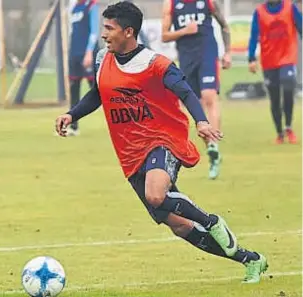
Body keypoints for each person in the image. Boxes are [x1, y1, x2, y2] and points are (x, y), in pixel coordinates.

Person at [55, 1, 268, 284]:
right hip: (129, 154)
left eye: (109, 28)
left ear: (128, 31)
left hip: (162, 139)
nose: (104, 34)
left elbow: (187, 92)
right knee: (179, 227)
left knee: (156, 194)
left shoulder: (156, 64)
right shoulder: (101, 60)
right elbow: (98, 94)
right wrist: (72, 114)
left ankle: (211, 222)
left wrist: (202, 121)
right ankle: (250, 259)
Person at [161, 0, 231, 180]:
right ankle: (211, 149)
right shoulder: (170, 4)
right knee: (195, 106)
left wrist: (228, 52)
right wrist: (184, 31)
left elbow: (224, 25)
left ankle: (214, 144)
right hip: (187, 59)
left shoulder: (208, 2)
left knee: (209, 96)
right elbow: (164, 35)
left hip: (207, 54)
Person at [248, 0, 302, 144]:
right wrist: (251, 58)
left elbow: (301, 28)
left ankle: (289, 126)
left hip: (287, 58)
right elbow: (253, 36)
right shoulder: (259, 12)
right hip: (269, 61)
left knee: (289, 87)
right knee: (274, 97)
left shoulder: (290, 7)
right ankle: (279, 132)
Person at [67, 0, 100, 136]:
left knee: (98, 91)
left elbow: (94, 31)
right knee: (74, 88)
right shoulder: (75, 7)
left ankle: (123, 119)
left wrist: (89, 53)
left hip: (87, 54)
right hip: (74, 53)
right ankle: (73, 126)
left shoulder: (92, 5)